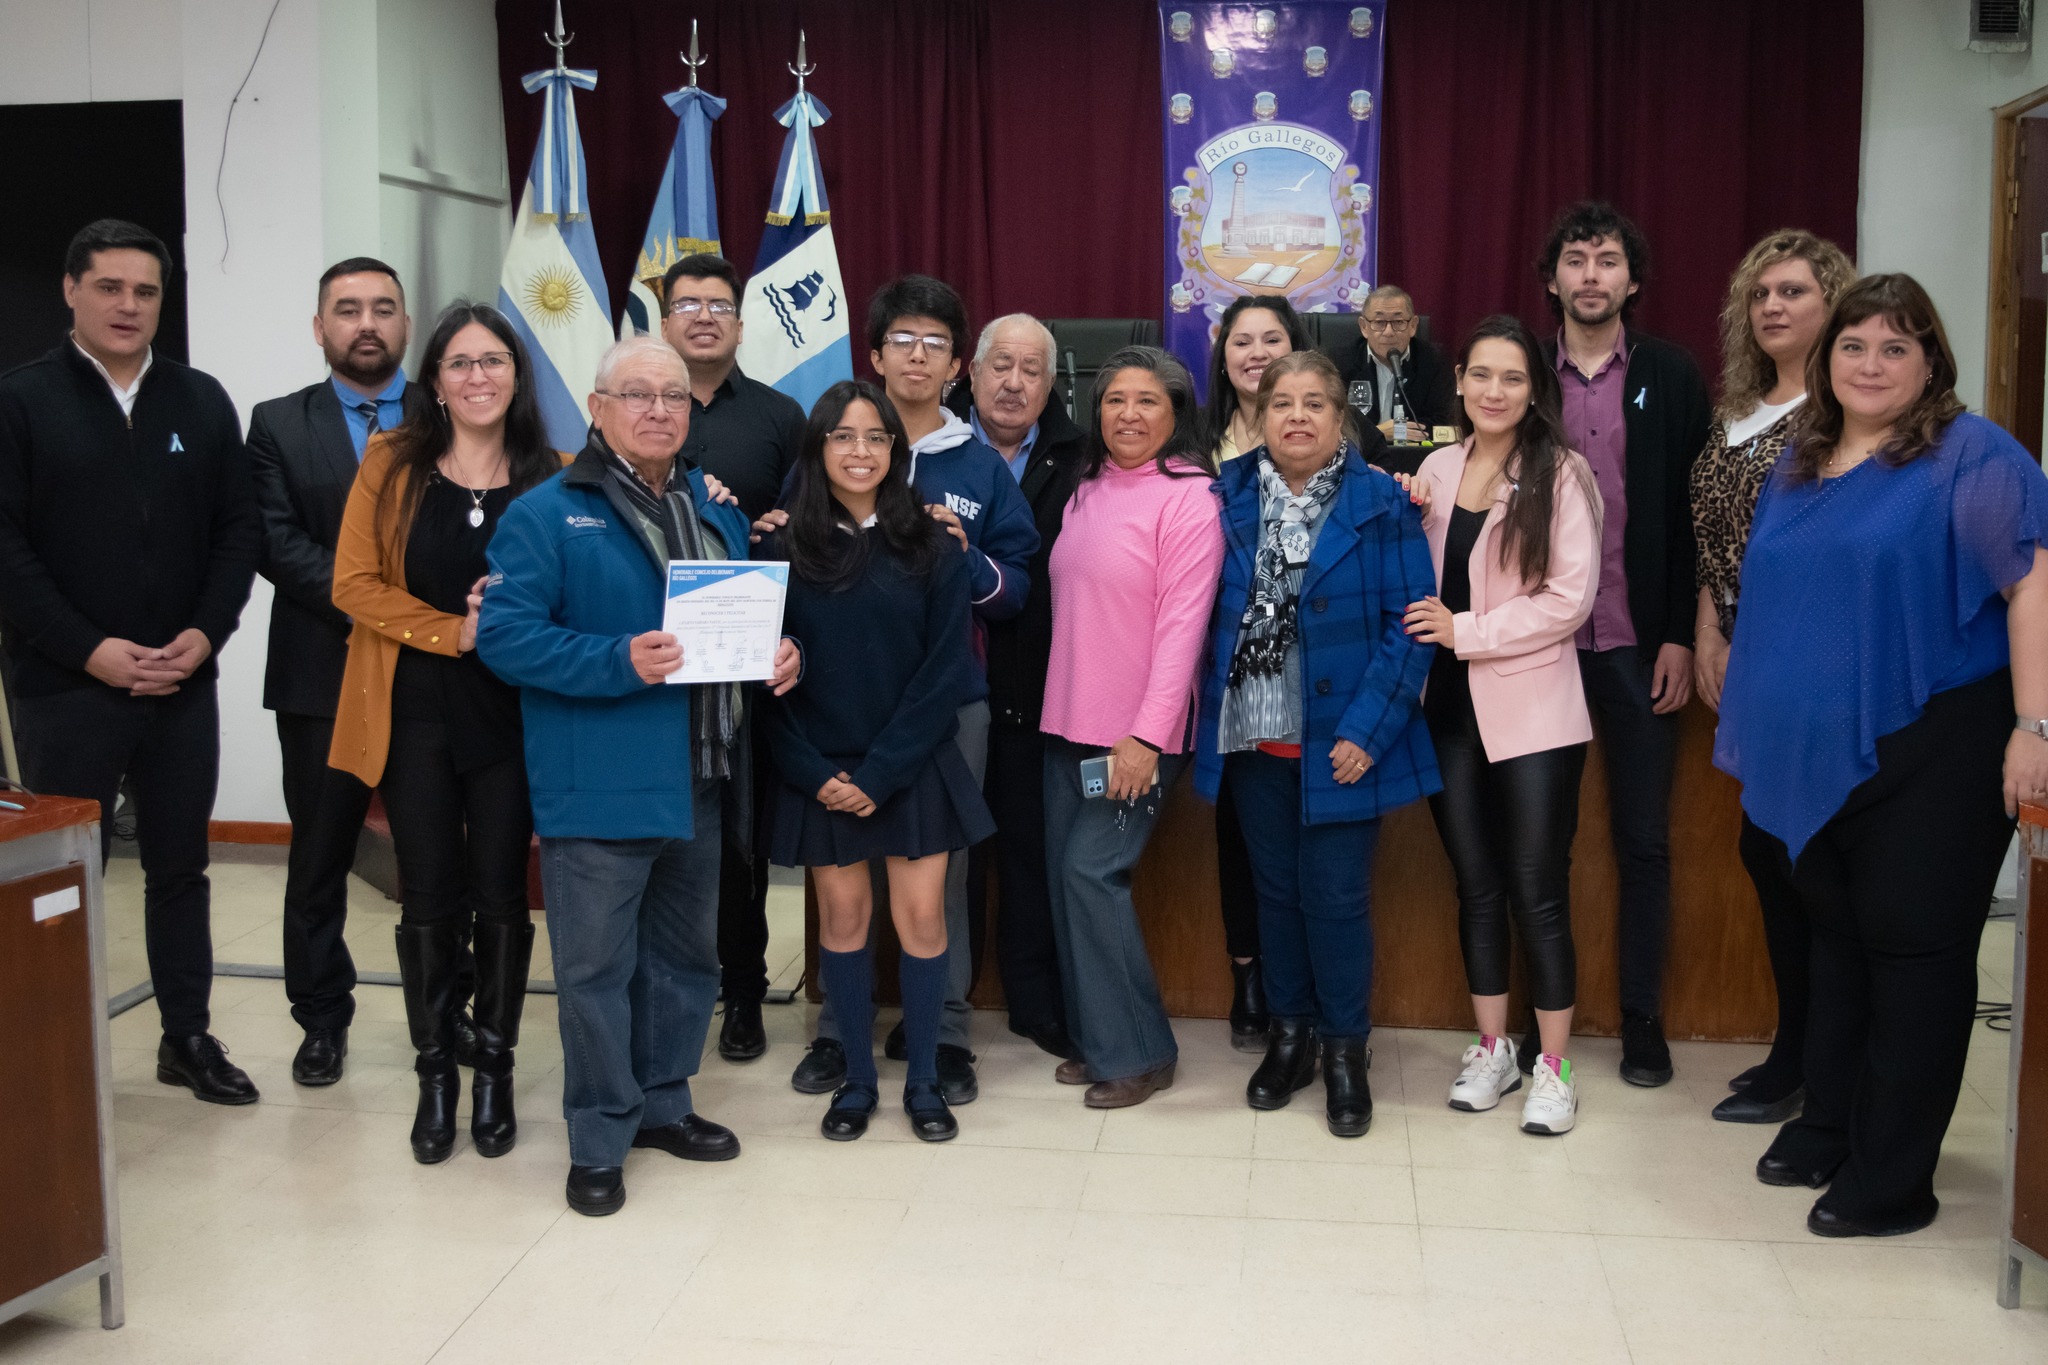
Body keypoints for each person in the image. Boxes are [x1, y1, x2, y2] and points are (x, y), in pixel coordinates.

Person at [1718, 274, 2048, 1238]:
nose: (1870, 364)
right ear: (1827, 360)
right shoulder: (1802, 454)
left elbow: (2030, 587)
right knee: (1836, 938)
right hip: (1815, 748)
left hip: (1937, 738)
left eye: (1895, 347)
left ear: (1931, 362)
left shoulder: (1973, 455)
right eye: (1854, 345)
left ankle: (1895, 1175)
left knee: (1911, 949)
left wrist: (2036, 727)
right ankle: (1831, 1122)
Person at [478, 334, 786, 1215]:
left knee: (686, 962)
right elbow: (503, 636)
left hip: (701, 777)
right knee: (595, 972)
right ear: (597, 407)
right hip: (601, 787)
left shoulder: (713, 510)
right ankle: (599, 1136)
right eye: (638, 394)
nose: (659, 409)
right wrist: (618, 658)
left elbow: (734, 628)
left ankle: (663, 1103)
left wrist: (777, 652)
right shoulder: (545, 513)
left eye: (675, 396)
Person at [0, 218, 260, 1104]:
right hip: (66, 687)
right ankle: (58, 1052)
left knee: (180, 868)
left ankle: (186, 1036)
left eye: (145, 290)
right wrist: (90, 650)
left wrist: (205, 634)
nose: (128, 305)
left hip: (182, 684)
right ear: (71, 289)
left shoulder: (200, 398)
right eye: (109, 286)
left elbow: (237, 530)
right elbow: (6, 554)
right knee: (64, 881)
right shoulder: (21, 401)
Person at [785, 275, 1036, 1106]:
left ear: (955, 363)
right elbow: (786, 589)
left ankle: (944, 1038)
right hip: (832, 716)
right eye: (904, 341)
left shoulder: (978, 463)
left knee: (939, 882)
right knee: (845, 892)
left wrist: (966, 561)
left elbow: (1021, 585)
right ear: (876, 353)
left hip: (939, 701)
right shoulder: (819, 469)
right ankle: (840, 1040)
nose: (919, 355)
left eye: (936, 344)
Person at [329, 302, 557, 1164]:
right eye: (460, 363)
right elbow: (352, 584)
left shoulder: (550, 472)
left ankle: (493, 1068)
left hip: (511, 714)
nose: (478, 377)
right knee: (428, 895)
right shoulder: (391, 462)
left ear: (516, 375)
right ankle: (437, 1073)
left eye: (493, 361)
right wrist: (448, 630)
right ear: (433, 380)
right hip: (415, 708)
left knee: (501, 892)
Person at [1194, 350, 1438, 1137]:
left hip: (1343, 741)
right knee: (1275, 896)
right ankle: (1290, 1035)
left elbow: (1412, 629)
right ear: (1259, 416)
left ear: (1341, 419)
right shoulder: (1224, 495)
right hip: (1254, 739)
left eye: (1314, 403)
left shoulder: (1383, 503)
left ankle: (1343, 1049)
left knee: (1335, 901)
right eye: (1281, 403)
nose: (1296, 416)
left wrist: (1368, 733)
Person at [759, 379, 994, 1143]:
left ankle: (924, 1080)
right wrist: (817, 773)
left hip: (910, 761)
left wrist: (881, 774)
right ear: (817, 449)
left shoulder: (933, 545)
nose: (859, 451)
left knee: (923, 917)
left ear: (896, 450)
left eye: (875, 437)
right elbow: (761, 679)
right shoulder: (776, 545)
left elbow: (941, 676)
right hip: (819, 766)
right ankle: (857, 1080)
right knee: (845, 917)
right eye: (842, 437)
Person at [1405, 315, 1603, 1136]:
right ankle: (1494, 1047)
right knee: (1476, 886)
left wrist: (1468, 632)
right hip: (1445, 711)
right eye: (1480, 375)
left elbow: (1570, 598)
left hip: (1533, 714)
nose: (1494, 391)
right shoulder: (1436, 466)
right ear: (1457, 380)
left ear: (1534, 390)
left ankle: (1553, 1066)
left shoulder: (1563, 472)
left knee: (1539, 892)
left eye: (1512, 378)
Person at [1535, 201, 1711, 1087]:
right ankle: (1543, 1019)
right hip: (1542, 646)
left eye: (1608, 261)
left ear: (1631, 281)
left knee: (1644, 840)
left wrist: (1680, 632)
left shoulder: (1672, 375)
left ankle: (1642, 1016)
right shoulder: (1521, 370)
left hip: (1639, 644)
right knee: (1543, 839)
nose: (1592, 276)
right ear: (1554, 278)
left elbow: (1691, 519)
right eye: (1577, 260)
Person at [1689, 229, 1856, 1126]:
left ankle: (1824, 1065)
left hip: (1817, 657)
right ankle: (1795, 1048)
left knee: (1810, 860)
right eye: (1760, 295)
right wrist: (1710, 629)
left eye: (1794, 291)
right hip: (1748, 650)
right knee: (1770, 852)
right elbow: (1715, 536)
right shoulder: (1741, 407)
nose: (1774, 307)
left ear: (1833, 302)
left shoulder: (1844, 410)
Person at [249, 256, 424, 1086]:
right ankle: (321, 1018)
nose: (366, 323)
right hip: (322, 674)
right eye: (347, 309)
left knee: (435, 859)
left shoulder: (449, 409)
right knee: (320, 857)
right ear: (319, 328)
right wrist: (380, 608)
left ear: (406, 324)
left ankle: (442, 1011)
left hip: (435, 678)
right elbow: (276, 543)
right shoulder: (278, 422)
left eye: (382, 308)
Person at [1042, 346, 1224, 1108]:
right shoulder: (1084, 488)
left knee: (1093, 872)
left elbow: (1184, 626)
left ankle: (1141, 1050)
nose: (1128, 414)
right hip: (1067, 723)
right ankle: (1102, 1036)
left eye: (1147, 400)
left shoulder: (1191, 496)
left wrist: (1146, 736)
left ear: (1176, 412)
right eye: (1115, 398)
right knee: (1067, 880)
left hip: (1136, 736)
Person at [659, 252, 807, 1064]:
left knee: (739, 838)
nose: (704, 316)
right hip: (658, 661)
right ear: (667, 320)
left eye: (719, 304)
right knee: (676, 836)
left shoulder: (782, 415)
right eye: (688, 303)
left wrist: (768, 520)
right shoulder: (639, 409)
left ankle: (744, 989)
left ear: (741, 325)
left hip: (748, 661)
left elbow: (804, 520)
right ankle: (682, 981)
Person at [944, 312, 1088, 1059]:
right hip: (946, 691)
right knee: (949, 858)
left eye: (1032, 369)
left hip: (1042, 685)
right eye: (1002, 364)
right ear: (970, 371)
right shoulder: (933, 448)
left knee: (1034, 854)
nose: (1015, 382)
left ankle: (1035, 1001)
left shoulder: (1083, 456)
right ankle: (943, 1010)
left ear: (1052, 382)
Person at [1201, 293, 1312, 1051]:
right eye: (1243, 340)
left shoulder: (1329, 433)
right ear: (1222, 351)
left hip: (1296, 672)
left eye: (1273, 337)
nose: (1257, 352)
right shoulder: (1194, 438)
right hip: (1213, 663)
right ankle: (1248, 972)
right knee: (1234, 830)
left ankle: (1296, 983)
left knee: (1290, 836)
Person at [1335, 284, 1457, 446]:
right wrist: (1377, 433)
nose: (1388, 332)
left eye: (1398, 322)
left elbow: (1444, 421)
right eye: (1379, 322)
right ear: (1364, 327)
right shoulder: (1338, 362)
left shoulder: (1434, 361)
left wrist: (1398, 431)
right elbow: (1333, 421)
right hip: (1361, 454)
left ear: (1413, 326)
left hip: (1413, 454)